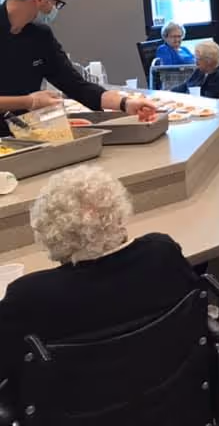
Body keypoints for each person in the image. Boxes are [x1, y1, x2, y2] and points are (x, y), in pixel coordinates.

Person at [0, 165, 199, 384]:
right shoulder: (162, 253)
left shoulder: (29, 296)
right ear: (119, 215)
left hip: (76, 403)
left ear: (47, 232)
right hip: (172, 392)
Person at [0, 0, 156, 137]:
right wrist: (29, 101)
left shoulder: (40, 36)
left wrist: (125, 103)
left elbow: (75, 85)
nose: (55, 9)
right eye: (57, 2)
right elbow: (31, 101)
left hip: (21, 133)